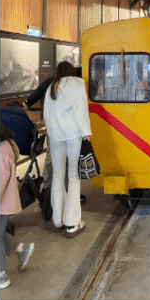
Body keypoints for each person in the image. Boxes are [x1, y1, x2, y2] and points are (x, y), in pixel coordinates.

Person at [43, 60, 90, 237]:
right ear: (72, 71)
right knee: (74, 177)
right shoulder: (77, 85)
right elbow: (81, 110)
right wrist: (86, 131)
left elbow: (46, 116)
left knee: (57, 177)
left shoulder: (51, 89)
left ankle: (58, 220)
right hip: (73, 136)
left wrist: (52, 132)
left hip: (55, 137)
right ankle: (72, 223)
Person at [0, 125, 34, 290]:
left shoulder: (0, 153)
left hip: (1, 201)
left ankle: (0, 275)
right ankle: (21, 249)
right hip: (8, 198)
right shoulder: (10, 144)